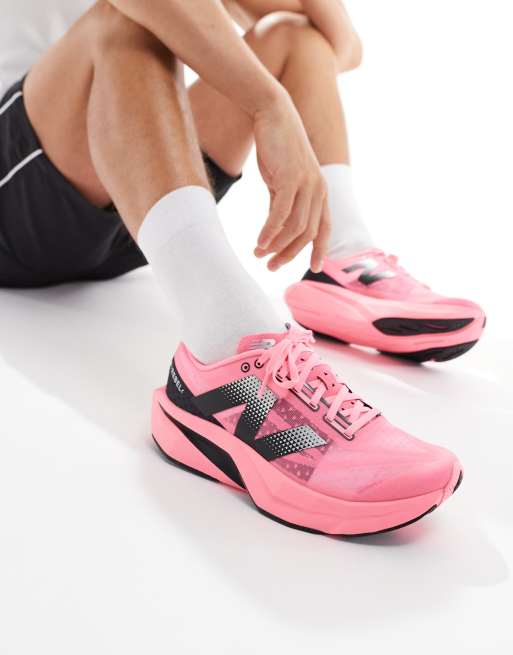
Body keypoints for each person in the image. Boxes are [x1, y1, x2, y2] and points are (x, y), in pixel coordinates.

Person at [0, 0, 472, 535]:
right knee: (125, 22)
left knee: (290, 35)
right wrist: (269, 105)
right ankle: (225, 351)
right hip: (16, 208)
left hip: (134, 203)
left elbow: (342, 45)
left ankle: (341, 258)